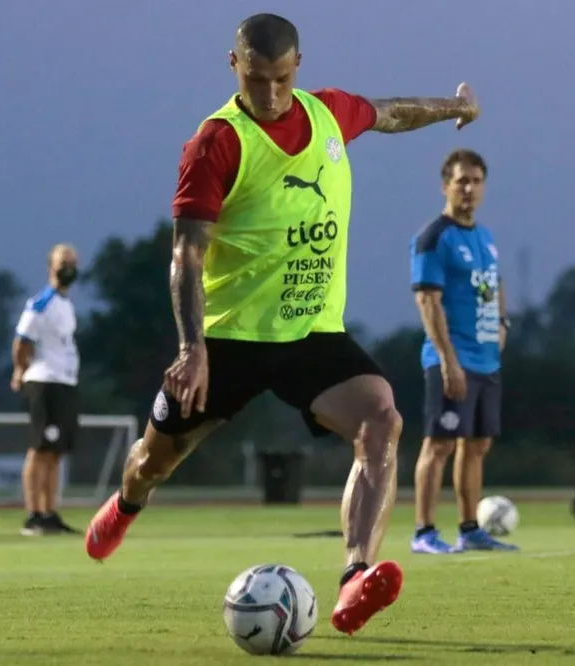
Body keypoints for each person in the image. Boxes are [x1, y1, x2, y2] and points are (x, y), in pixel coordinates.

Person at [84, 12, 480, 635]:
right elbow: (186, 253)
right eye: (257, 78)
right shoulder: (217, 142)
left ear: (299, 67)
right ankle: (128, 504)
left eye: (281, 79)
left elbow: (389, 112)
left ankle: (354, 578)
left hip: (309, 333)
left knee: (382, 419)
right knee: (154, 461)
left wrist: (451, 106)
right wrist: (192, 348)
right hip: (228, 339)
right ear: (234, 65)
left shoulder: (328, 114)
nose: (269, 94)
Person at [408, 149, 518, 554]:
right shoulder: (434, 238)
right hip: (451, 359)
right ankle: (423, 532)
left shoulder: (485, 237)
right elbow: (427, 302)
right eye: (461, 181)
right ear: (445, 186)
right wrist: (447, 359)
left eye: (475, 181)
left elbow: (495, 283)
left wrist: (503, 324)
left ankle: (470, 529)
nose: (469, 189)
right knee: (439, 444)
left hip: (486, 359)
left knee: (477, 445)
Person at [11, 244, 82, 536]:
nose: (68, 267)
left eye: (72, 262)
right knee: (40, 448)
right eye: (63, 262)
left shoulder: (66, 304)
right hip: (45, 382)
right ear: (50, 266)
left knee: (56, 451)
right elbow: (22, 340)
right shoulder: (42, 302)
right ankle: (33, 514)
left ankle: (50, 511)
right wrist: (20, 370)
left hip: (65, 382)